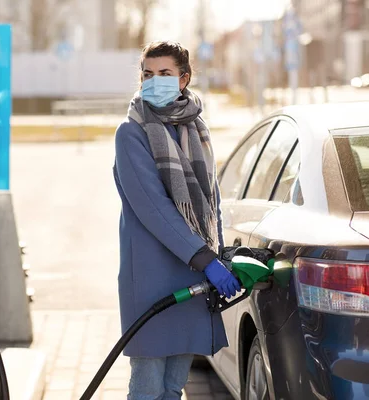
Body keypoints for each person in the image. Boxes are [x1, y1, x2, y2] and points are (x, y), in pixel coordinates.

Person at [113, 41, 241, 400]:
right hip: (153, 276)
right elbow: (153, 208)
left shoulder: (196, 130)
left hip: (192, 276)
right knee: (148, 386)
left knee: (173, 386)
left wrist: (218, 253)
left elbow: (210, 197)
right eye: (147, 74)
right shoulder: (131, 133)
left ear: (183, 79)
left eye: (164, 74)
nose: (154, 81)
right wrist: (205, 259)